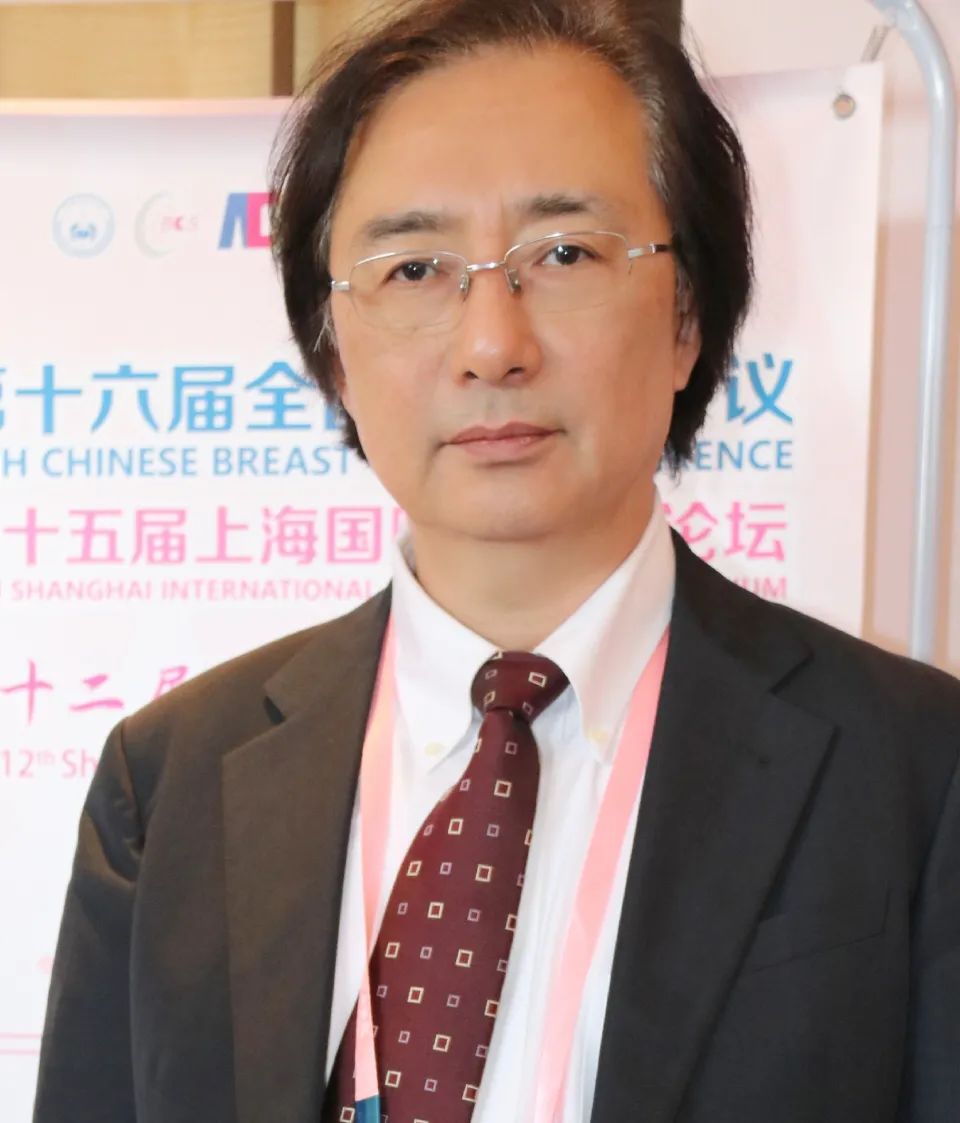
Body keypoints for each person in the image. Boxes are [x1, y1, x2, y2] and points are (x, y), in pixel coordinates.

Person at [34, 1, 960, 1121]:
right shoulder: (170, 782)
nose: (491, 345)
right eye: (415, 268)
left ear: (686, 316)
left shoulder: (916, 774)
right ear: (333, 351)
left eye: (564, 253)